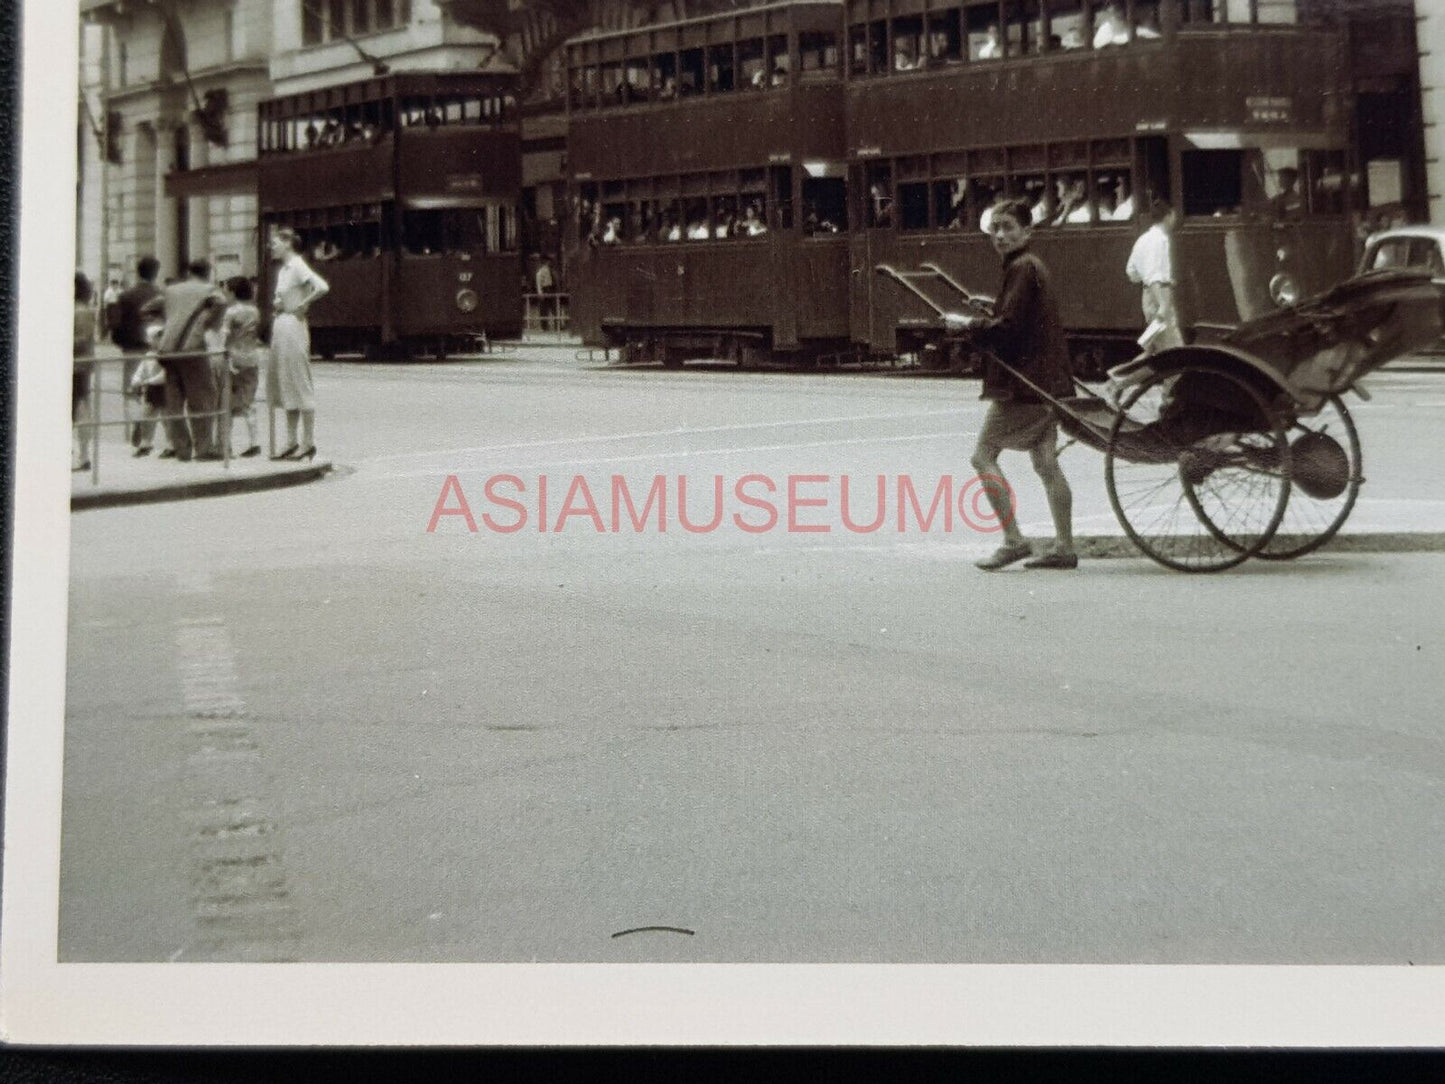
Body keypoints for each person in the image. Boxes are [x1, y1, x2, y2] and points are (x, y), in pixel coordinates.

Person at [942, 198, 1077, 571]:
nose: (999, 235)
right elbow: (1021, 316)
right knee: (1046, 464)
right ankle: (1064, 547)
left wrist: (966, 324)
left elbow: (1009, 329)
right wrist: (992, 305)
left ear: (1027, 231)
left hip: (1026, 385)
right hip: (1051, 381)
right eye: (995, 228)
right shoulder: (1031, 266)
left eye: (1008, 227)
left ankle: (1014, 540)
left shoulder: (1021, 267)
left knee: (982, 456)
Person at [152, 259, 228, 462]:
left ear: (189, 272)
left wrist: (167, 323)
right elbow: (222, 302)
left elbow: (149, 308)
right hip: (192, 349)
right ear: (207, 272)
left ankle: (182, 450)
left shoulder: (171, 290)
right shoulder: (208, 289)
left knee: (174, 402)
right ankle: (203, 449)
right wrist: (210, 322)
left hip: (167, 349)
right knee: (202, 399)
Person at [268, 227, 329, 461]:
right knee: (286, 382)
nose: (272, 247)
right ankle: (292, 440)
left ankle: (308, 441)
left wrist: (303, 303)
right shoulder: (284, 269)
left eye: (275, 243)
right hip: (283, 325)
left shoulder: (296, 266)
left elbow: (322, 286)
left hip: (293, 325)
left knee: (299, 381)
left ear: (287, 244)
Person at [111, 255, 164, 453]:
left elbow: (116, 326)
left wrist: (121, 342)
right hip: (154, 349)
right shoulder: (161, 294)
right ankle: (146, 434)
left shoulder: (125, 296)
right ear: (155, 273)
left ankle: (135, 424)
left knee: (131, 392)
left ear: (137, 272)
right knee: (152, 394)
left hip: (132, 349)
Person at [1125, 198, 1184, 355]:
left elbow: (1132, 273)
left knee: (1153, 351)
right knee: (1173, 352)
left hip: (1148, 297)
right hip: (1160, 298)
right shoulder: (1160, 240)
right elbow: (1154, 276)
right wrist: (1163, 305)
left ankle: (1118, 379)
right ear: (1169, 215)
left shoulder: (1143, 239)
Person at [221, 277, 263, 457]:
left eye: (226, 290)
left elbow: (224, 337)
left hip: (233, 358)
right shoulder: (254, 311)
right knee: (249, 402)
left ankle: (226, 445)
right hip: (251, 358)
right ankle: (254, 442)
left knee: (226, 403)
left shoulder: (230, 313)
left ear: (233, 292)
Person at [73, 272, 96, 471]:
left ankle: (81, 454)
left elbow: (77, 340)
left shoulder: (72, 311)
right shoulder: (87, 310)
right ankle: (84, 454)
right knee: (82, 407)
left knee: (74, 410)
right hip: (85, 364)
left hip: (73, 364)